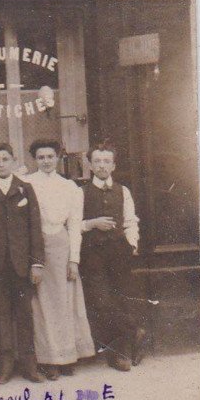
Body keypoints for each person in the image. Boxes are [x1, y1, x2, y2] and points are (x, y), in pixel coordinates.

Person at [25, 139, 94, 379]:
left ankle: (66, 357)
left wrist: (74, 259)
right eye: (41, 157)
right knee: (42, 304)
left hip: (62, 246)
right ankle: (47, 359)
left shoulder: (70, 188)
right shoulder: (26, 184)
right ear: (35, 159)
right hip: (37, 247)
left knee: (65, 303)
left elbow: (74, 225)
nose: (46, 161)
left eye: (50, 157)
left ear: (57, 158)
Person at [0, 143, 46, 384]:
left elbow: (35, 228)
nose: (1, 164)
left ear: (14, 160)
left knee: (25, 314)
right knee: (1, 314)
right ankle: (5, 364)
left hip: (21, 264)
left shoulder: (25, 189)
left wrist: (37, 263)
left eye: (5, 159)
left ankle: (29, 365)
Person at [80, 142, 146, 372]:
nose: (102, 166)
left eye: (106, 161)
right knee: (101, 302)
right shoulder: (81, 192)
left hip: (119, 254)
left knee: (120, 300)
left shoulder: (123, 191)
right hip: (93, 256)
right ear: (90, 165)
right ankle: (135, 330)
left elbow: (130, 221)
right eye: (97, 161)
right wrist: (91, 223)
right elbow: (73, 225)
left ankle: (120, 353)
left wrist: (131, 243)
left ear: (114, 165)